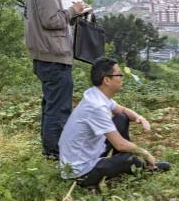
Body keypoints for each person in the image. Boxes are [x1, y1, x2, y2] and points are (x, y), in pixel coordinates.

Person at [59, 57, 170, 189]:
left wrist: (139, 117)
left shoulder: (96, 94)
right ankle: (147, 168)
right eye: (119, 75)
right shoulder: (96, 107)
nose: (122, 78)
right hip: (79, 172)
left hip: (90, 153)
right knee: (129, 158)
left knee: (121, 118)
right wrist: (145, 153)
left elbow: (121, 110)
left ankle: (120, 162)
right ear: (107, 80)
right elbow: (120, 144)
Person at [24, 0, 89, 159]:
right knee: (58, 108)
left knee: (51, 106)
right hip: (53, 56)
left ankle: (49, 150)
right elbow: (51, 20)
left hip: (47, 54)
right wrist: (74, 11)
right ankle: (55, 152)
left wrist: (69, 14)